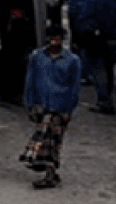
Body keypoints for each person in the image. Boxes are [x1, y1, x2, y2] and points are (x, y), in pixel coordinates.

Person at [20, 26, 81, 189]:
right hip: (42, 105)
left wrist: (69, 109)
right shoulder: (37, 57)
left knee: (51, 141)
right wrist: (30, 105)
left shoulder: (73, 61)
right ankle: (51, 173)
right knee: (48, 142)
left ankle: (50, 175)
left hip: (60, 107)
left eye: (58, 37)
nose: (55, 40)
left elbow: (74, 88)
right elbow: (30, 82)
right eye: (52, 37)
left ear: (63, 40)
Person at [79, 0, 116, 114]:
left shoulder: (94, 1)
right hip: (114, 40)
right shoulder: (114, 2)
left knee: (99, 71)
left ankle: (104, 101)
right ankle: (106, 97)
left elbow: (84, 21)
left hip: (99, 41)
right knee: (109, 70)